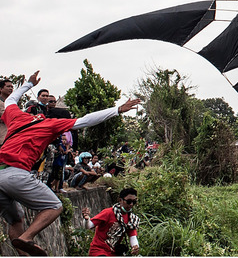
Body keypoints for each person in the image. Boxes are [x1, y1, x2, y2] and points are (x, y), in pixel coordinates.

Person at [0, 71, 141, 256]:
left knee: (16, 220)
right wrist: (117, 110)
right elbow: (85, 120)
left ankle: (23, 254)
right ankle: (27, 238)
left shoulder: (17, 117)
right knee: (54, 206)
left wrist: (29, 84)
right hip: (17, 173)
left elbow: (11, 100)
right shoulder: (49, 124)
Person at [82, 187, 140, 256]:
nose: (131, 204)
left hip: (114, 252)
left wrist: (135, 246)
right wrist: (86, 219)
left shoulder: (131, 219)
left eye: (134, 202)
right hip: (99, 251)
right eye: (129, 201)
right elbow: (89, 225)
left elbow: (132, 236)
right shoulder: (108, 213)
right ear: (120, 200)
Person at [0, 78, 14, 144]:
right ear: (1, 89)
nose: (10, 88)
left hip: (10, 138)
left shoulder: (12, 103)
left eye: (12, 87)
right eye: (8, 86)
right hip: (2, 137)